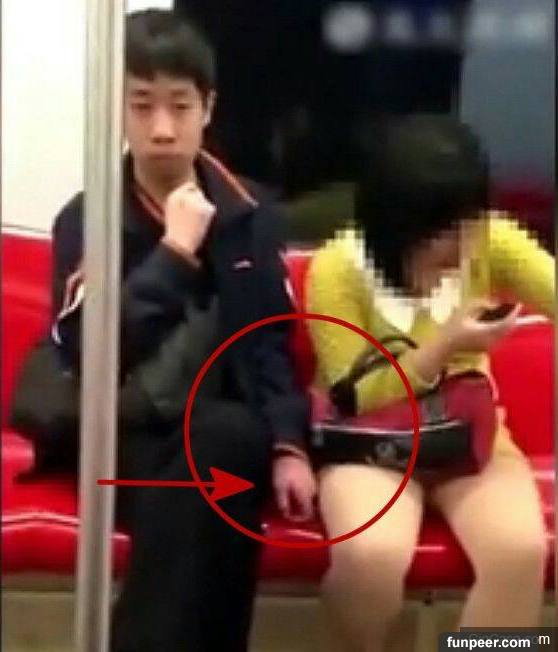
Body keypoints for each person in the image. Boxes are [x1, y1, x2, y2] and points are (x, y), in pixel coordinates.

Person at [50, 10, 316, 652]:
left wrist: (290, 447)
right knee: (211, 505)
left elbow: (270, 344)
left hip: (228, 430)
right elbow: (88, 352)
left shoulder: (251, 213)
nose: (162, 129)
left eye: (179, 106)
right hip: (125, 432)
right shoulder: (89, 218)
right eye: (142, 106)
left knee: (217, 446)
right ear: (117, 111)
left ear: (208, 108)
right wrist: (172, 256)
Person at [306, 115, 554, 651]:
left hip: (468, 433)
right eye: (445, 231)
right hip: (369, 442)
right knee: (371, 555)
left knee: (520, 552)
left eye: (470, 224)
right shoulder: (337, 269)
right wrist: (444, 344)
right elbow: (355, 395)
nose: (462, 247)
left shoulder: (488, 240)